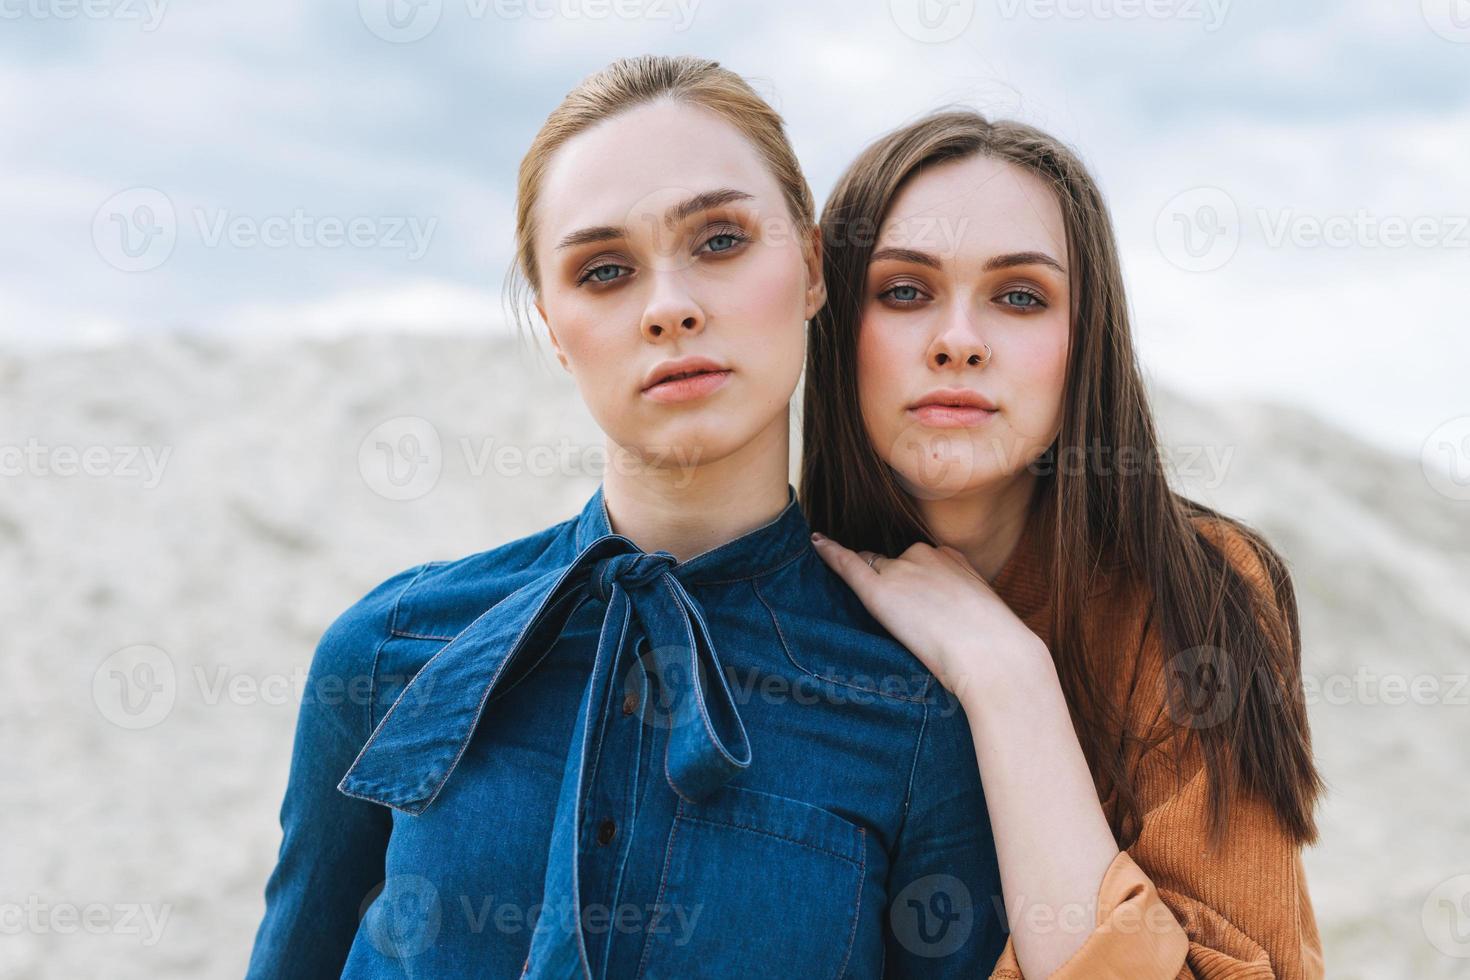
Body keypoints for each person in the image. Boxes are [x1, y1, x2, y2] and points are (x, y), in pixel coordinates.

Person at [245, 59, 1008, 979]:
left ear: (811, 267)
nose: (670, 309)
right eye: (604, 271)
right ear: (555, 329)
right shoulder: (386, 653)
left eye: (721, 241)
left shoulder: (914, 716)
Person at [803, 109, 1326, 979]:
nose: (958, 342)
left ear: (1084, 344)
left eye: (1019, 297)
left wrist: (1009, 681)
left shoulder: (1196, 595)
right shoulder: (764, 606)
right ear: (833, 328)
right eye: (903, 291)